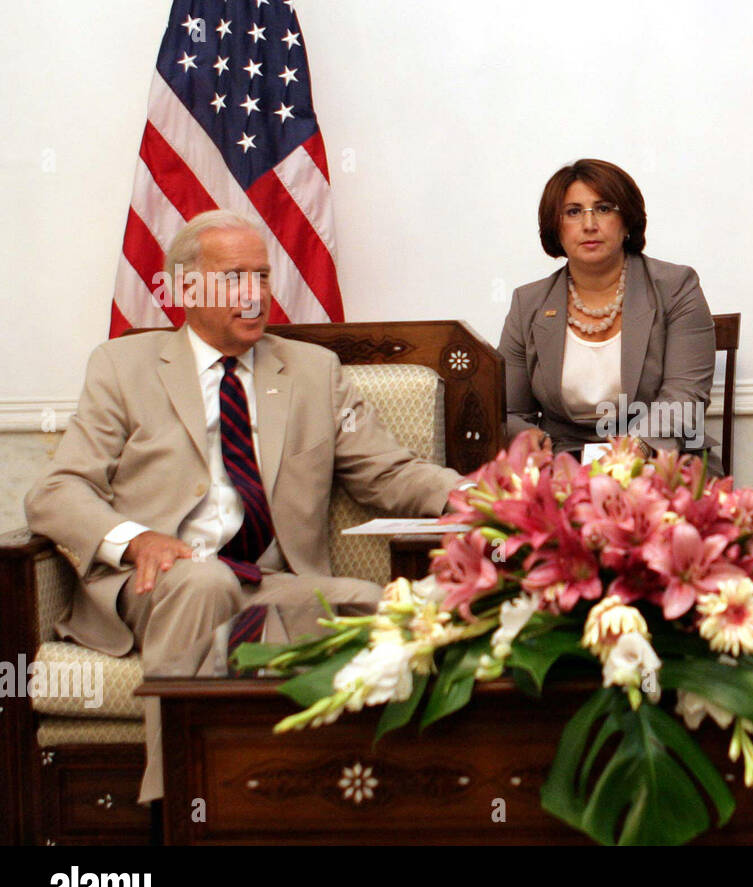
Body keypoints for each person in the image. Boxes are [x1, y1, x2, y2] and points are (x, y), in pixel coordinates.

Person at [25, 210, 464, 801]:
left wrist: (484, 495)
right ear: (184, 289)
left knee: (381, 609)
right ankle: (179, 808)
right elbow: (55, 492)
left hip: (271, 582)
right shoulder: (122, 369)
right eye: (234, 279)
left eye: (262, 276)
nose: (256, 294)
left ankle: (346, 806)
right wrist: (134, 538)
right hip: (157, 580)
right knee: (203, 583)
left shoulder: (313, 371)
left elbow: (386, 472)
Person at [498, 158, 715, 463]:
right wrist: (526, 435)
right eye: (573, 212)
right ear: (555, 227)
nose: (589, 225)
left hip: (658, 457)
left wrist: (636, 447)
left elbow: (684, 397)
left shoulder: (677, 287)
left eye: (603, 209)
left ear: (627, 220)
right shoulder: (528, 303)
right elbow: (507, 411)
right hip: (562, 462)